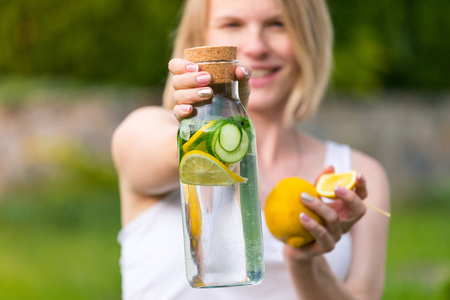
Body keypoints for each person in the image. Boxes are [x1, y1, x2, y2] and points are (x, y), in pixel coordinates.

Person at [112, 0, 390, 299]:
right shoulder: (144, 130)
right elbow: (167, 156)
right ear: (198, 41)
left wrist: (305, 262)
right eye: (232, 24)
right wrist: (214, 118)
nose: (256, 46)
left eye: (277, 24)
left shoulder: (358, 174)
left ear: (310, 37)